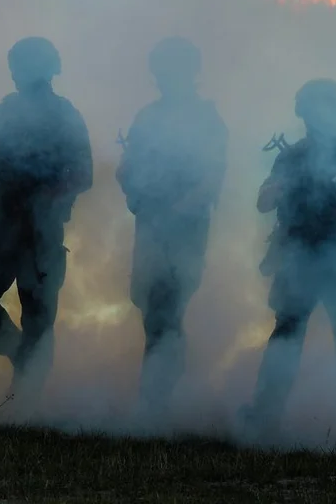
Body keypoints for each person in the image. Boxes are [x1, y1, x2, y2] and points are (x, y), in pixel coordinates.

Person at [239, 78, 336, 436]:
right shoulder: (291, 156)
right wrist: (282, 186)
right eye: (312, 110)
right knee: (287, 334)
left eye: (326, 109)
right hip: (298, 255)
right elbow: (264, 201)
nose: (318, 118)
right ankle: (266, 416)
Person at [0, 37, 93, 400]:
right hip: (2, 223)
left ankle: (27, 403)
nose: (18, 75)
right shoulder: (4, 114)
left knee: (38, 316)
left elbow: (84, 175)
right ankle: (23, 360)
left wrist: (45, 196)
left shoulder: (64, 116)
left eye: (21, 67)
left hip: (41, 228)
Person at [116, 36, 228, 418]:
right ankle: (163, 394)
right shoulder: (148, 117)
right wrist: (134, 192)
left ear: (190, 73)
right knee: (150, 304)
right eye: (161, 70)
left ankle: (156, 400)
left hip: (185, 229)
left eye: (173, 70)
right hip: (151, 224)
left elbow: (211, 177)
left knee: (168, 307)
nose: (165, 78)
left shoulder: (206, 119)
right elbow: (129, 167)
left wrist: (177, 210)